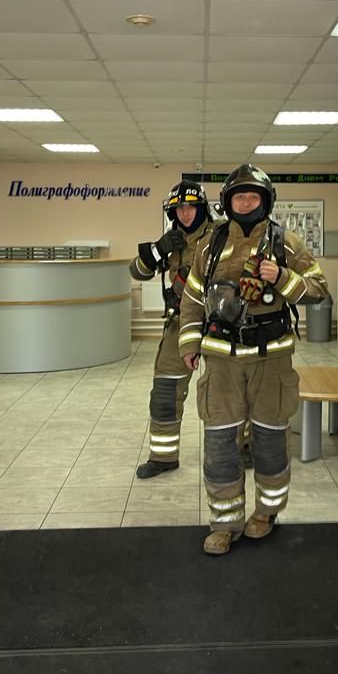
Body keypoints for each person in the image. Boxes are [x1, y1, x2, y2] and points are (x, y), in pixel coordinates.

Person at [178, 164, 329, 555]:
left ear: (265, 201)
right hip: (221, 363)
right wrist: (189, 345)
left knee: (269, 441)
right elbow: (192, 299)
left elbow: (318, 290)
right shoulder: (209, 246)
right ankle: (224, 523)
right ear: (228, 203)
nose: (245, 203)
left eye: (252, 197)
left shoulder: (286, 243)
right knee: (219, 445)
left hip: (270, 361)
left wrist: (281, 277)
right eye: (239, 197)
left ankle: (266, 513)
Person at [130, 180, 213, 479]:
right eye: (179, 208)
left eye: (191, 207)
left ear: (201, 208)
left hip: (218, 324)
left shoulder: (221, 236)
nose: (185, 213)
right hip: (179, 323)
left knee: (226, 392)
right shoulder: (172, 239)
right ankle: (163, 457)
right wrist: (158, 250)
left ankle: (240, 449)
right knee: (165, 390)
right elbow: (136, 271)